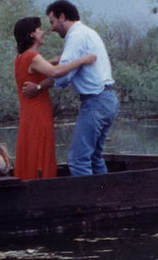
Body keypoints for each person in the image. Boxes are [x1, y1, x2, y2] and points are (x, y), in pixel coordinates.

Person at [22, 0, 119, 176]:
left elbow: (64, 75)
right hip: (108, 99)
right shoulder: (86, 32)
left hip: (96, 100)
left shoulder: (76, 36)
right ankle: (105, 198)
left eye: (52, 22)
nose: (51, 28)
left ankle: (89, 203)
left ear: (62, 16)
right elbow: (65, 64)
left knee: (78, 160)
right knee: (95, 157)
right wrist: (47, 64)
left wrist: (38, 87)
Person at [13, 16, 96, 180]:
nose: (43, 32)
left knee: (32, 150)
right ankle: (42, 184)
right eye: (39, 29)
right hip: (38, 113)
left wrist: (58, 59)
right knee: (41, 149)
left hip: (29, 113)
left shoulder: (21, 58)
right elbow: (56, 73)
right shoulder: (32, 57)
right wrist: (82, 60)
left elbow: (41, 69)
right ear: (32, 35)